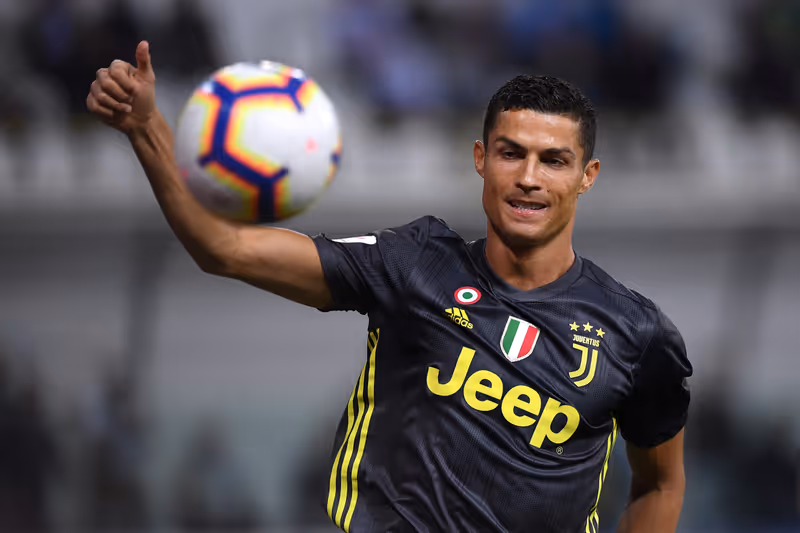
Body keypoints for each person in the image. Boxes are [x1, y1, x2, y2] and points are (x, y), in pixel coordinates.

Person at [86, 41, 692, 533]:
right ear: (480, 158)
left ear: (587, 175)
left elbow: (660, 485)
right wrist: (146, 128)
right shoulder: (415, 263)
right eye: (512, 153)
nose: (529, 178)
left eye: (553, 160)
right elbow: (226, 248)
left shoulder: (635, 333)